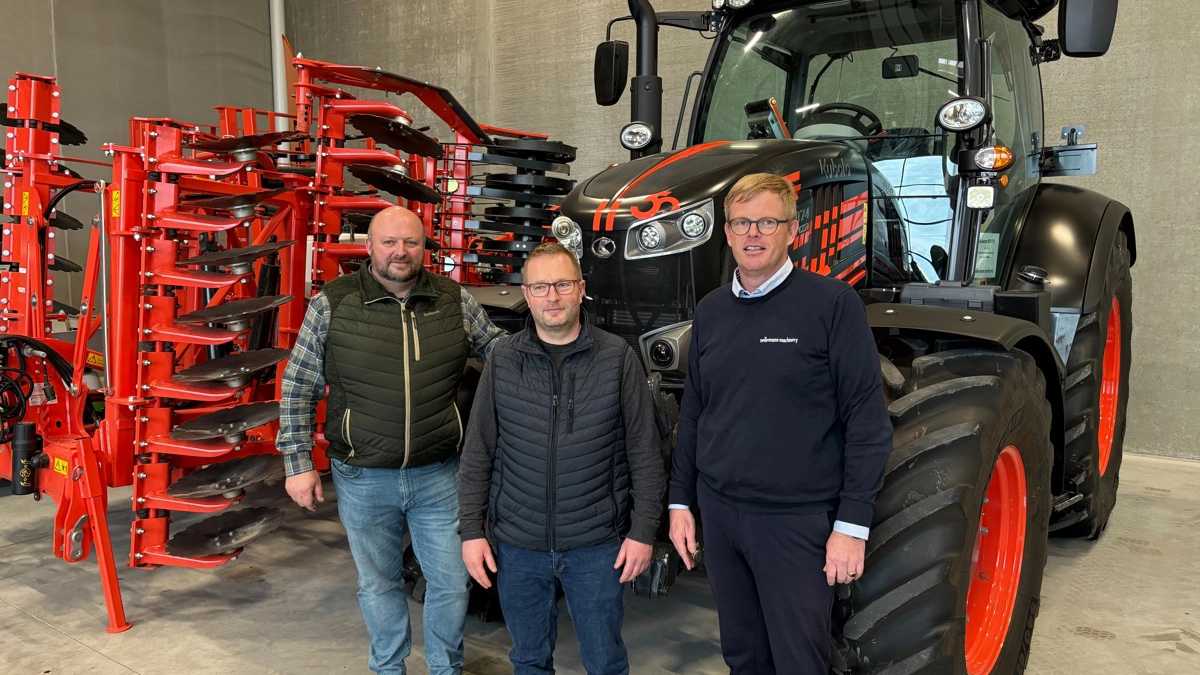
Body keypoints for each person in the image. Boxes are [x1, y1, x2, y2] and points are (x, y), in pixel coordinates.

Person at [667, 173, 892, 674]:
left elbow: (867, 421)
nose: (753, 234)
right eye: (742, 222)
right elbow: (697, 411)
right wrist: (681, 501)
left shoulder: (832, 305)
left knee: (798, 661)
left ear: (793, 230)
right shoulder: (711, 311)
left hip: (795, 522)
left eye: (767, 222)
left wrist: (851, 525)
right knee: (743, 656)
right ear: (726, 232)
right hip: (722, 517)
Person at [277, 205, 506, 675]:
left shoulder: (452, 299)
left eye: (411, 242)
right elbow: (298, 385)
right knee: (377, 583)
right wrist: (298, 463)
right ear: (369, 248)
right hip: (362, 475)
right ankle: (388, 668)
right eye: (389, 242)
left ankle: (446, 668)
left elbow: (501, 352)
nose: (400, 252)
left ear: (425, 247)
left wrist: (558, 342)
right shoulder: (333, 304)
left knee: (451, 582)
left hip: (439, 473)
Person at [458, 242, 665, 675]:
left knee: (605, 662)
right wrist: (470, 532)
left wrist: (643, 531)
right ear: (526, 294)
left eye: (563, 284)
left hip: (597, 545)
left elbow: (645, 453)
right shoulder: (502, 359)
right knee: (529, 661)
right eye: (540, 286)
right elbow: (478, 450)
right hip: (518, 545)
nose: (552, 296)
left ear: (581, 289)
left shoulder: (617, 358)